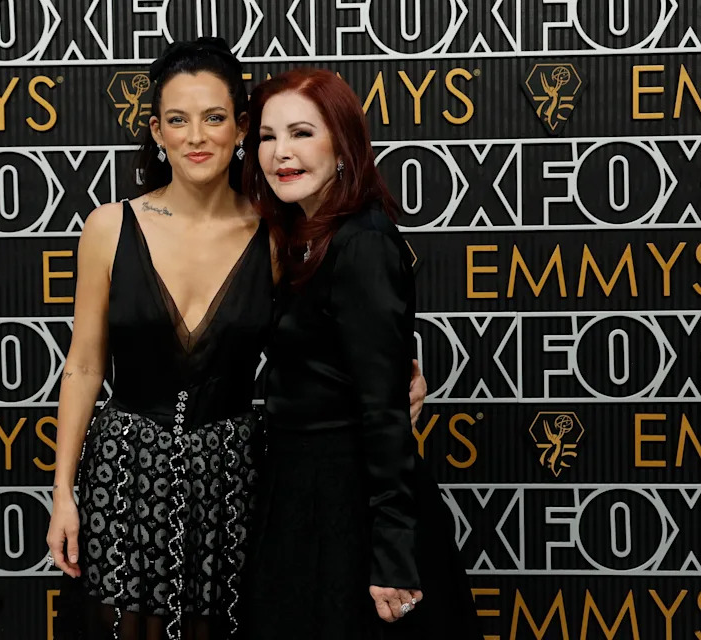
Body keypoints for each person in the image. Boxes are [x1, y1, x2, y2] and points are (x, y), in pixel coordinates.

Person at [45, 40, 428, 640]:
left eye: (215, 117)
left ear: (240, 127)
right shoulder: (108, 227)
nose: (196, 136)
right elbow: (84, 367)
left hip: (234, 482)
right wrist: (64, 491)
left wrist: (400, 372)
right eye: (177, 119)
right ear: (157, 131)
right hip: (123, 473)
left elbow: (331, 331)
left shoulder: (277, 231)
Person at [240, 68, 482, 640]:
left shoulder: (363, 242)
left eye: (302, 133)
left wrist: (393, 551)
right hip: (301, 493)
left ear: (343, 143)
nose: (282, 153)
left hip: (352, 508)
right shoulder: (303, 236)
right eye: (268, 137)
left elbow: (384, 411)